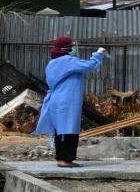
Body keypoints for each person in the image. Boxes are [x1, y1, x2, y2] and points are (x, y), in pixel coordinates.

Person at [33, 37, 105, 168]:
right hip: (67, 101)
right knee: (68, 130)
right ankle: (65, 160)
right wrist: (99, 53)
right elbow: (90, 65)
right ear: (66, 48)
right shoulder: (68, 61)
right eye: (71, 46)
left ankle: (63, 158)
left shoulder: (52, 63)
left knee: (61, 130)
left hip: (58, 100)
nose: (73, 48)